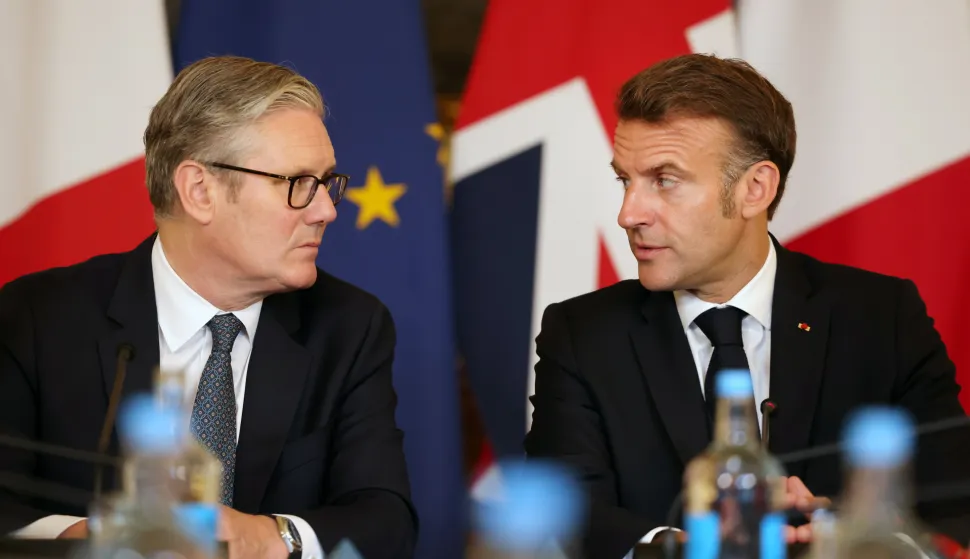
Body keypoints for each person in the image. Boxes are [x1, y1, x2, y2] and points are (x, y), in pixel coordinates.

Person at [524, 53, 970, 558]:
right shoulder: (582, 333)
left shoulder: (881, 318)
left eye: (664, 180)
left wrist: (840, 528)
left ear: (755, 189)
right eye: (625, 180)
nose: (629, 213)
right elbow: (565, 507)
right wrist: (685, 550)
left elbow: (952, 502)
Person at [0, 56, 416, 559]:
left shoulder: (349, 327)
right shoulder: (38, 316)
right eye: (298, 183)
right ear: (199, 191)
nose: (326, 210)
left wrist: (270, 536)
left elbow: (385, 519)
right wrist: (81, 539)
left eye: (327, 182)